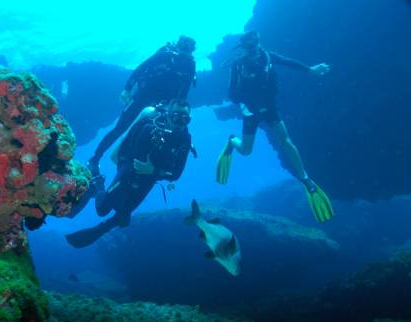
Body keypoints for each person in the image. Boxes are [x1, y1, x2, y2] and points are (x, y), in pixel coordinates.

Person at [216, 31, 334, 223]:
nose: (253, 50)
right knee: (246, 151)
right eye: (249, 47)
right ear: (244, 48)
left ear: (258, 43)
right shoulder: (238, 65)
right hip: (250, 112)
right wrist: (244, 109)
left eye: (255, 45)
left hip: (269, 107)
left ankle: (305, 178)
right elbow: (232, 93)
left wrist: (310, 69)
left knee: (286, 141)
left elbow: (288, 62)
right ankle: (231, 141)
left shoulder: (268, 56)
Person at [66, 99, 193, 248]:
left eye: (185, 119)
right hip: (128, 171)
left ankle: (101, 228)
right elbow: (136, 165)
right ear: (168, 114)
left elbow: (176, 174)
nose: (180, 122)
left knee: (122, 217)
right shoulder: (149, 128)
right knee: (102, 210)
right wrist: (155, 171)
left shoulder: (185, 138)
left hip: (149, 178)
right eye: (176, 116)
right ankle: (98, 184)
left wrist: (153, 171)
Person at [86, 36, 196, 177]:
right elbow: (142, 68)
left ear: (192, 50)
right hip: (143, 95)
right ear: (178, 44)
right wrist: (127, 88)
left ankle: (130, 169)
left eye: (190, 48)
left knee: (151, 133)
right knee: (120, 128)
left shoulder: (190, 66)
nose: (186, 51)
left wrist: (174, 110)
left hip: (163, 103)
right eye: (184, 46)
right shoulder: (165, 54)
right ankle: (95, 160)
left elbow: (184, 93)